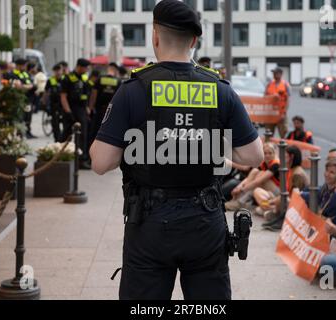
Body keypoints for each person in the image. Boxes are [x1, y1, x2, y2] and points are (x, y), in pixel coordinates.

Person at [89, 0, 264, 300]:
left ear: (154, 35)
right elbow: (253, 156)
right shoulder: (219, 90)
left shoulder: (134, 90)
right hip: (205, 220)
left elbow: (100, 162)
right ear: (194, 41)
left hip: (149, 223)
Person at [261, 145, 309, 231]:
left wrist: (274, 201)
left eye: (285, 156)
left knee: (283, 199)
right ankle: (278, 216)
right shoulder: (291, 170)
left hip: (299, 207)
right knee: (263, 208)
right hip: (289, 202)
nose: (282, 158)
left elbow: (295, 197)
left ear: (291, 157)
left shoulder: (297, 174)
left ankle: (282, 219)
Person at [225, 142, 280, 212]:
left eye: (270, 153)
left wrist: (242, 190)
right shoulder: (263, 162)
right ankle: (268, 208)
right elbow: (250, 177)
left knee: (259, 177)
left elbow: (247, 169)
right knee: (255, 186)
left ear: (274, 154)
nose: (267, 155)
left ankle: (240, 202)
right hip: (265, 192)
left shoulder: (275, 164)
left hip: (278, 193)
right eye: (265, 153)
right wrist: (238, 188)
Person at [60, 58, 91, 169]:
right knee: (66, 135)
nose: (87, 70)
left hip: (81, 110)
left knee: (83, 136)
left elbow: (86, 96)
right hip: (71, 109)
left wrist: (87, 109)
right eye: (86, 68)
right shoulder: (67, 78)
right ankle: (61, 157)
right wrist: (68, 112)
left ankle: (81, 160)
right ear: (79, 66)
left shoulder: (84, 79)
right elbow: (63, 97)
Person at [300, 158, 336, 225]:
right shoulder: (326, 187)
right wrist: (300, 194)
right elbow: (315, 195)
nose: (327, 174)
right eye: (326, 170)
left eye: (332, 172)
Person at [89, 62, 121, 150]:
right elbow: (119, 98)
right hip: (111, 111)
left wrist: (91, 108)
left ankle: (92, 151)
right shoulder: (118, 81)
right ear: (115, 71)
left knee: (95, 131)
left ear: (108, 69)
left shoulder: (100, 79)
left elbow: (93, 95)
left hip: (99, 110)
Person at [6, 58, 36, 138]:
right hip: (18, 100)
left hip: (27, 99)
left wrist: (24, 86)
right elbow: (17, 87)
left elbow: (31, 84)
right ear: (19, 65)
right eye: (24, 65)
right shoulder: (12, 74)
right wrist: (26, 86)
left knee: (28, 116)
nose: (26, 67)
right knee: (20, 117)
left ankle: (27, 132)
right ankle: (20, 133)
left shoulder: (25, 73)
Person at [265, 67, 290, 139]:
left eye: (276, 73)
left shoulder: (285, 85)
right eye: (273, 73)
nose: (274, 75)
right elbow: (264, 98)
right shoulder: (269, 84)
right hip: (270, 114)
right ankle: (269, 149)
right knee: (268, 135)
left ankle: (282, 150)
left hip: (281, 114)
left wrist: (284, 113)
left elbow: (287, 100)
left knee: (283, 134)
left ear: (281, 74)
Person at [43, 64, 64, 142]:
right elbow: (46, 92)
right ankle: (57, 139)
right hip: (54, 104)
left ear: (62, 71)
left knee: (65, 122)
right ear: (54, 72)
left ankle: (63, 137)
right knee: (55, 122)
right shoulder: (50, 80)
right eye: (56, 71)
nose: (58, 72)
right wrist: (44, 102)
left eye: (59, 70)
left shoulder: (65, 79)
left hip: (63, 104)